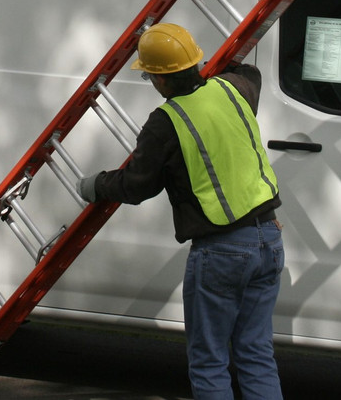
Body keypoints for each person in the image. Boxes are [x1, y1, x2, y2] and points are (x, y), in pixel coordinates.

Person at [78, 22, 284, 400]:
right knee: (255, 354)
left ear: (158, 78)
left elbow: (138, 185)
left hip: (222, 251)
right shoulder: (234, 89)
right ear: (196, 61)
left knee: (209, 362)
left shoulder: (166, 121)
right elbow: (249, 71)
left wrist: (95, 185)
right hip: (269, 239)